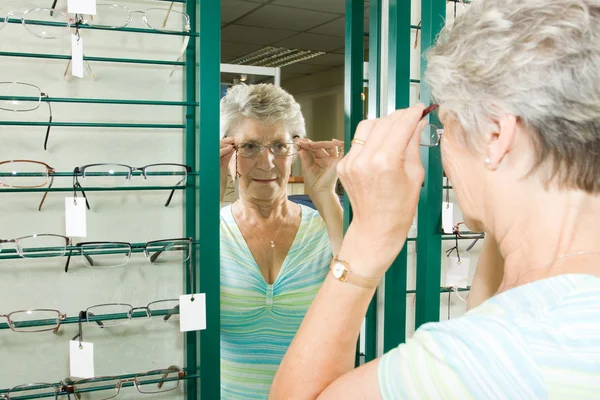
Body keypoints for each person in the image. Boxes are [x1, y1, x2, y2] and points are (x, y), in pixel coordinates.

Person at [270, 0, 600, 398]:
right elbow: (498, 306)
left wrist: (370, 237)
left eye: (448, 129)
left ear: (496, 135)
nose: (443, 154)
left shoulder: (476, 359)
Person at [219, 83, 344, 399]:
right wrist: (210, 191)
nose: (267, 163)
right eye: (248, 147)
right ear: (226, 154)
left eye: (279, 146)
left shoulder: (325, 228)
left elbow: (358, 301)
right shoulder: (210, 230)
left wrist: (325, 194)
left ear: (297, 151)